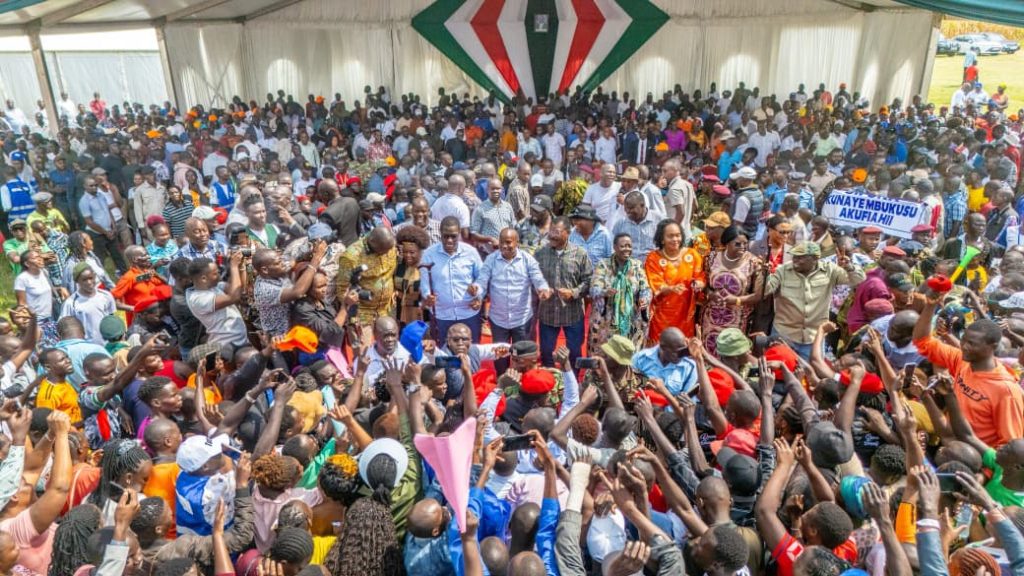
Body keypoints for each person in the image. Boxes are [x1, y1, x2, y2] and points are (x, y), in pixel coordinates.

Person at [763, 241, 864, 358]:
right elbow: (765, 291)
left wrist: (849, 267)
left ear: (815, 259)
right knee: (780, 371)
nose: (795, 260)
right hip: (784, 334)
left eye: (801, 258)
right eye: (794, 256)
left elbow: (859, 281)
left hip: (813, 337)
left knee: (809, 373)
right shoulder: (783, 270)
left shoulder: (829, 270)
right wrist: (764, 275)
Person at [478, 228, 552, 373]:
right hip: (498, 320)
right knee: (500, 356)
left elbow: (537, 278)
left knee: (521, 356)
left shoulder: (527, 259)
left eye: (508, 242)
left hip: (521, 319)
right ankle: (502, 383)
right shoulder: (491, 260)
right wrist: (477, 295)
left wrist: (543, 289)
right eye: (501, 243)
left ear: (517, 243)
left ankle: (522, 386)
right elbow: (482, 280)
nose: (504, 246)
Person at [534, 216, 593, 367]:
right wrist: (540, 290)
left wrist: (573, 292)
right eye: (551, 231)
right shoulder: (540, 253)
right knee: (547, 354)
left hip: (572, 315)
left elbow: (589, 281)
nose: (552, 235)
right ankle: (549, 387)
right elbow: (533, 279)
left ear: (567, 233)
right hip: (548, 314)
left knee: (574, 354)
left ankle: (573, 386)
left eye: (557, 232)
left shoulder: (580, 254)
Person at [421, 216, 484, 342]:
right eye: (446, 236)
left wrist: (478, 294)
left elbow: (482, 279)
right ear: (440, 234)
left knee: (471, 355)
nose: (449, 240)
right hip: (442, 316)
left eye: (453, 236)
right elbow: (424, 284)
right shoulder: (429, 254)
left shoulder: (471, 252)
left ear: (459, 233)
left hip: (468, 314)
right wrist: (427, 297)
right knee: (444, 358)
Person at [701, 226, 763, 355]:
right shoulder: (711, 258)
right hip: (711, 318)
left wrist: (737, 300)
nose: (743, 247)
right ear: (727, 243)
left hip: (737, 319)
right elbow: (703, 283)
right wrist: (711, 294)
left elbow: (759, 295)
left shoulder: (754, 263)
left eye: (745, 243)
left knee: (731, 353)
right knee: (710, 348)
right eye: (738, 244)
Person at [589, 233, 652, 352]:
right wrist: (604, 292)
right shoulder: (603, 265)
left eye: (629, 246)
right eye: (623, 246)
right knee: (606, 353)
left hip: (631, 317)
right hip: (607, 318)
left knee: (628, 353)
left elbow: (645, 288)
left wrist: (644, 298)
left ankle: (628, 370)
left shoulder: (637, 265)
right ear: (615, 247)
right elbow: (593, 289)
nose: (627, 249)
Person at [646, 219, 704, 341]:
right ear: (662, 239)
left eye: (678, 235)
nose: (675, 239)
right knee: (661, 350)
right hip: (662, 314)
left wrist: (699, 283)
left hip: (685, 315)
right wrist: (670, 288)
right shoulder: (653, 258)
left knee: (683, 348)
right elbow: (655, 283)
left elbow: (700, 276)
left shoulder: (693, 255)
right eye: (670, 236)